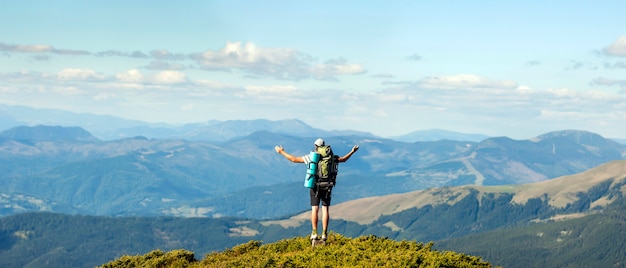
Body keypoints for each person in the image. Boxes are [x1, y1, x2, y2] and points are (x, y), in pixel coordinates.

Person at [274, 138, 359, 241]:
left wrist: (281, 151)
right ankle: (324, 234)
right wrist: (352, 151)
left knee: (315, 208)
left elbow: (294, 159)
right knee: (325, 209)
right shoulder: (331, 158)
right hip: (328, 185)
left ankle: (314, 232)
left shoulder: (313, 157)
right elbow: (344, 159)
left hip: (316, 185)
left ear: (316, 146)